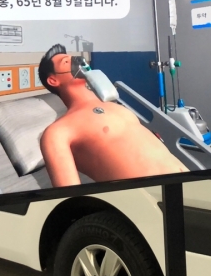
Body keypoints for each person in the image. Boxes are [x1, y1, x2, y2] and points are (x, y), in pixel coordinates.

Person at [38, 44, 188, 187]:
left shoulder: (116, 107)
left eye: (72, 57)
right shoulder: (58, 132)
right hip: (153, 198)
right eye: (66, 62)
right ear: (53, 80)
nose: (76, 61)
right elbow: (71, 196)